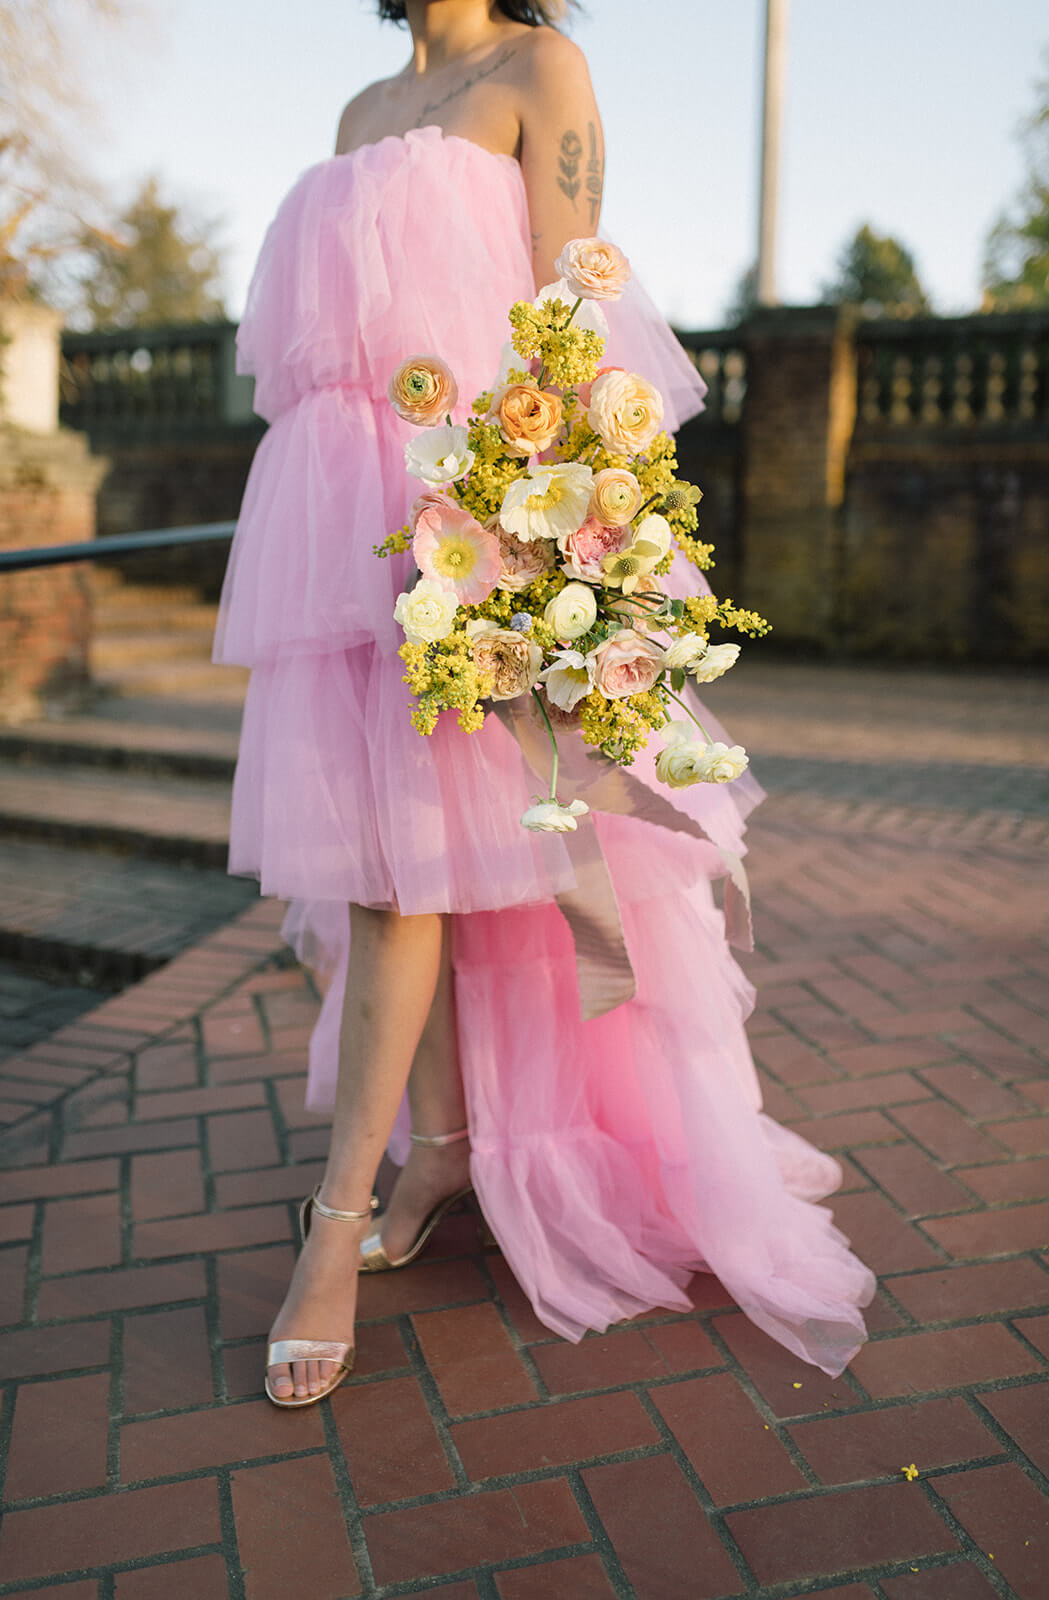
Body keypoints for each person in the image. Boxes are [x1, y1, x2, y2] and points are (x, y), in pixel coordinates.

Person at [213, 0, 876, 1409]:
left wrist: (550, 526)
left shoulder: (540, 69)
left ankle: (333, 1235)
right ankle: (441, 1144)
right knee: (383, 864)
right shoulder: (354, 113)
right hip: (337, 519)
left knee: (401, 876)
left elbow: (571, 305)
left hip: (468, 512)